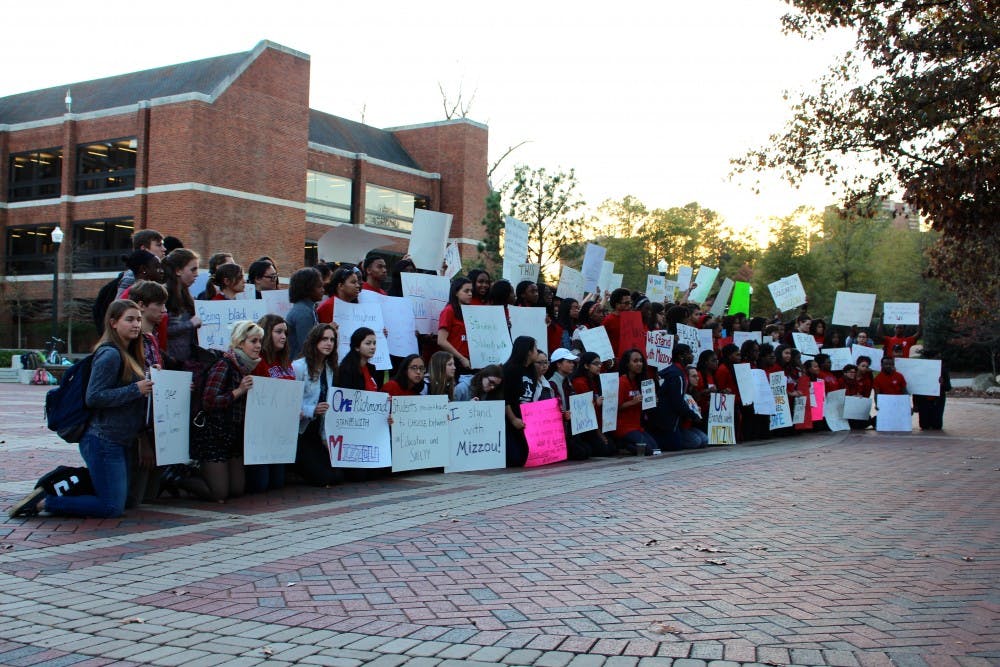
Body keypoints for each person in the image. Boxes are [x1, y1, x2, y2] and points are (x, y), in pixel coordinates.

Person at [11, 301, 153, 518]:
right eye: (130, 319)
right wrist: (135, 389)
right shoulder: (110, 355)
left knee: (125, 500)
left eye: (138, 319)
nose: (136, 324)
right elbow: (94, 397)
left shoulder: (129, 353)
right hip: (104, 439)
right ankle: (45, 502)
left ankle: (66, 485)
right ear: (113, 323)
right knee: (111, 507)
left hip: (120, 439)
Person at [194, 320, 261, 502]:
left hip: (233, 435)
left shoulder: (246, 367)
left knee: (237, 489)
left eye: (259, 341)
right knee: (219, 493)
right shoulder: (224, 364)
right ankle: (179, 477)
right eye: (253, 341)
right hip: (214, 434)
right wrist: (238, 391)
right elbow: (209, 401)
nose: (258, 346)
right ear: (240, 343)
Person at [292, 324, 343, 487]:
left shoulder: (330, 369)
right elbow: (290, 403)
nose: (329, 343)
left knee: (338, 475)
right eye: (324, 339)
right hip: (300, 432)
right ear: (314, 341)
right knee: (323, 478)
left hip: (317, 431)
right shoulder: (299, 367)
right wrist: (311, 410)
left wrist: (325, 439)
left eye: (332, 340)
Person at [652, 344, 708, 450]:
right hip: (667, 418)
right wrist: (693, 415)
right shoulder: (677, 374)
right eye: (689, 353)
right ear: (681, 356)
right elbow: (677, 401)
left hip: (668, 416)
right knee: (677, 445)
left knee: (703, 440)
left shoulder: (674, 371)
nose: (692, 356)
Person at [502, 336, 539, 467]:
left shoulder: (532, 371)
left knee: (527, 456)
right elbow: (504, 398)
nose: (537, 351)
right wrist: (513, 419)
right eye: (535, 348)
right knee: (516, 459)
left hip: (526, 420)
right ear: (528, 351)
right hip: (510, 420)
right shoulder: (510, 370)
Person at [163, 249, 203, 368]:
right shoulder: (165, 294)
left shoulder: (186, 293)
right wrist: (190, 324)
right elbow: (164, 330)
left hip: (186, 360)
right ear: (178, 271)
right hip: (171, 362)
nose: (197, 274)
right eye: (193, 269)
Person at [615, 349, 659, 455]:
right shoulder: (621, 381)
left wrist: (652, 401)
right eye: (635, 361)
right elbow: (616, 407)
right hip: (623, 427)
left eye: (641, 361)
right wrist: (633, 402)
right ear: (627, 364)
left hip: (636, 426)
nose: (639, 364)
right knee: (647, 450)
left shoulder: (640, 381)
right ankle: (621, 445)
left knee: (655, 449)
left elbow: (643, 407)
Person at [285, 267, 324, 360]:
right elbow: (307, 346)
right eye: (319, 286)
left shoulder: (309, 309)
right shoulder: (303, 313)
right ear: (307, 288)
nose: (323, 290)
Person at [437, 277, 474, 372]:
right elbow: (441, 341)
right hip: (455, 361)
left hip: (471, 360)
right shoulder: (448, 311)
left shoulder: (470, 311)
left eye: (471, 291)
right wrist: (461, 358)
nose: (470, 294)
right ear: (456, 293)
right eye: (466, 291)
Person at [116, 229, 166, 298]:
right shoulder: (131, 276)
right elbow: (121, 305)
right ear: (144, 248)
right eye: (159, 245)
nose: (164, 249)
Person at [913, 350, 950, 430]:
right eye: (936, 358)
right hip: (923, 401)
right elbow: (916, 388)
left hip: (937, 401)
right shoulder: (920, 370)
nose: (938, 360)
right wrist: (915, 404)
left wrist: (942, 383)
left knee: (937, 426)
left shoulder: (943, 370)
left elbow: (948, 387)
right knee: (924, 425)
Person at [337, 327, 379, 391]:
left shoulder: (371, 368)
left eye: (374, 343)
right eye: (368, 343)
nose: (373, 347)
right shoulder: (346, 370)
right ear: (357, 347)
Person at [601, 288, 633, 357]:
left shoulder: (632, 319)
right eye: (626, 303)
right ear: (617, 304)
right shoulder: (608, 320)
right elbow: (600, 343)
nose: (630, 306)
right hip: (614, 361)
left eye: (630, 303)